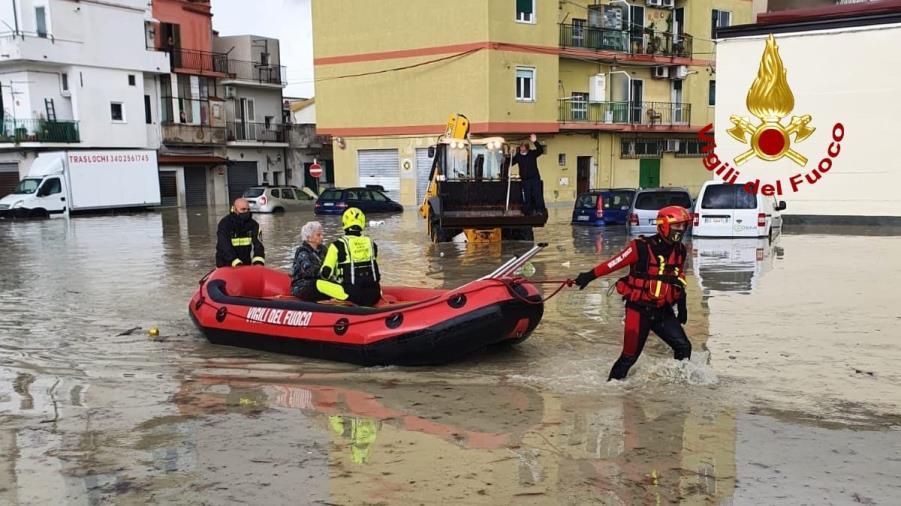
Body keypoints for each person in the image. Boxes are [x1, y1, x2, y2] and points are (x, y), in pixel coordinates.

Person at [573, 206, 692, 381]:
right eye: (677, 226)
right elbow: (612, 264)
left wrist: (682, 306)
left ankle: (677, 388)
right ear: (664, 225)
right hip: (639, 311)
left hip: (663, 311)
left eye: (683, 226)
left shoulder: (680, 251)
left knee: (684, 347)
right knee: (629, 357)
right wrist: (588, 276)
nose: (680, 230)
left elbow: (678, 278)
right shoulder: (640, 247)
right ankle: (611, 389)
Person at [316, 207, 381, 306]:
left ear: (344, 223)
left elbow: (325, 273)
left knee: (318, 283)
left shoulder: (337, 245)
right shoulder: (371, 243)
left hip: (353, 296)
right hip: (374, 295)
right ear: (362, 223)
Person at [215, 197, 265, 268]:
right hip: (225, 265)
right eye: (243, 209)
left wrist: (258, 263)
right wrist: (235, 262)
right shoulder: (225, 224)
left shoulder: (254, 225)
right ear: (235, 210)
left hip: (245, 265)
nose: (246, 212)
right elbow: (224, 246)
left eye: (248, 209)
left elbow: (258, 246)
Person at [290, 221, 329, 301]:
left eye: (322, 234)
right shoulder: (303, 252)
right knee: (315, 286)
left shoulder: (323, 250)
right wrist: (325, 273)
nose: (322, 237)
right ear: (309, 237)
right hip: (302, 286)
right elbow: (309, 270)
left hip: (320, 281)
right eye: (318, 235)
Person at [511, 133, 546, 215]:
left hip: (534, 177)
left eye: (523, 147)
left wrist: (535, 141)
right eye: (520, 147)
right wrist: (510, 155)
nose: (521, 148)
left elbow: (540, 150)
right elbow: (511, 162)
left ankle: (540, 210)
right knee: (527, 195)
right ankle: (528, 212)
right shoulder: (518, 156)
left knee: (537, 194)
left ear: (526, 148)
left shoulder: (532, 154)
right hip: (525, 179)